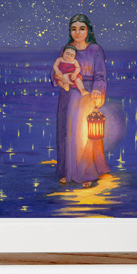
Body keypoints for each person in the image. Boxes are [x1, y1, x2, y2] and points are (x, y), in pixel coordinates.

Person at [49, 14, 108, 188]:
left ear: (88, 30)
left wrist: (98, 89)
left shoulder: (96, 50)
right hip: (67, 95)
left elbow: (101, 75)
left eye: (81, 28)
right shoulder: (65, 49)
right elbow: (55, 70)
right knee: (66, 133)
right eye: (74, 28)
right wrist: (59, 79)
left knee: (82, 135)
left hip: (85, 94)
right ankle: (68, 171)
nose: (77, 32)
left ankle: (86, 172)